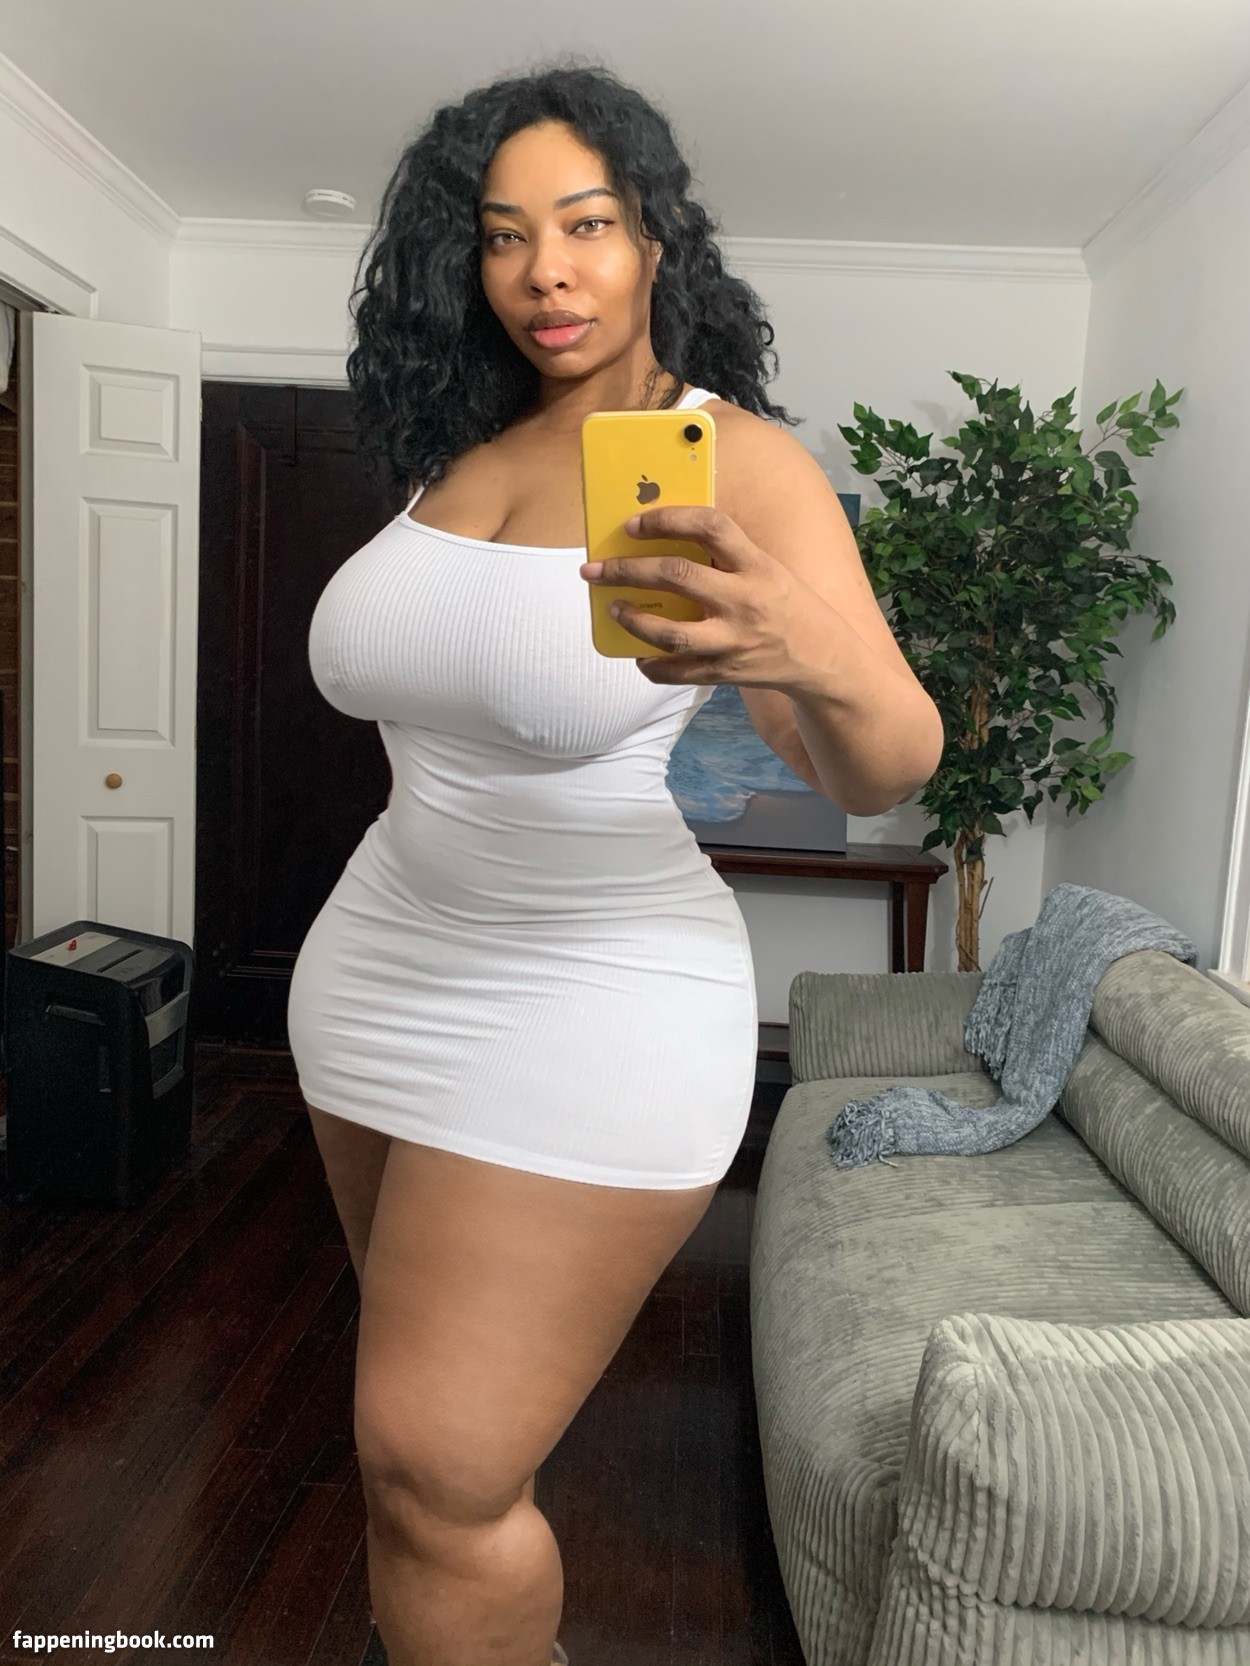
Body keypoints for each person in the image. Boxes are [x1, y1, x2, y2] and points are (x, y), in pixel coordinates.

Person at [286, 55, 910, 1666]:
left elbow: (886, 758)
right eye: (502, 236)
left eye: (583, 224)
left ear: (652, 239)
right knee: (427, 1459)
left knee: (435, 1461)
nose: (543, 272)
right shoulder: (454, 450)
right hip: (376, 969)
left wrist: (801, 652)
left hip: (593, 994)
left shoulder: (729, 459)